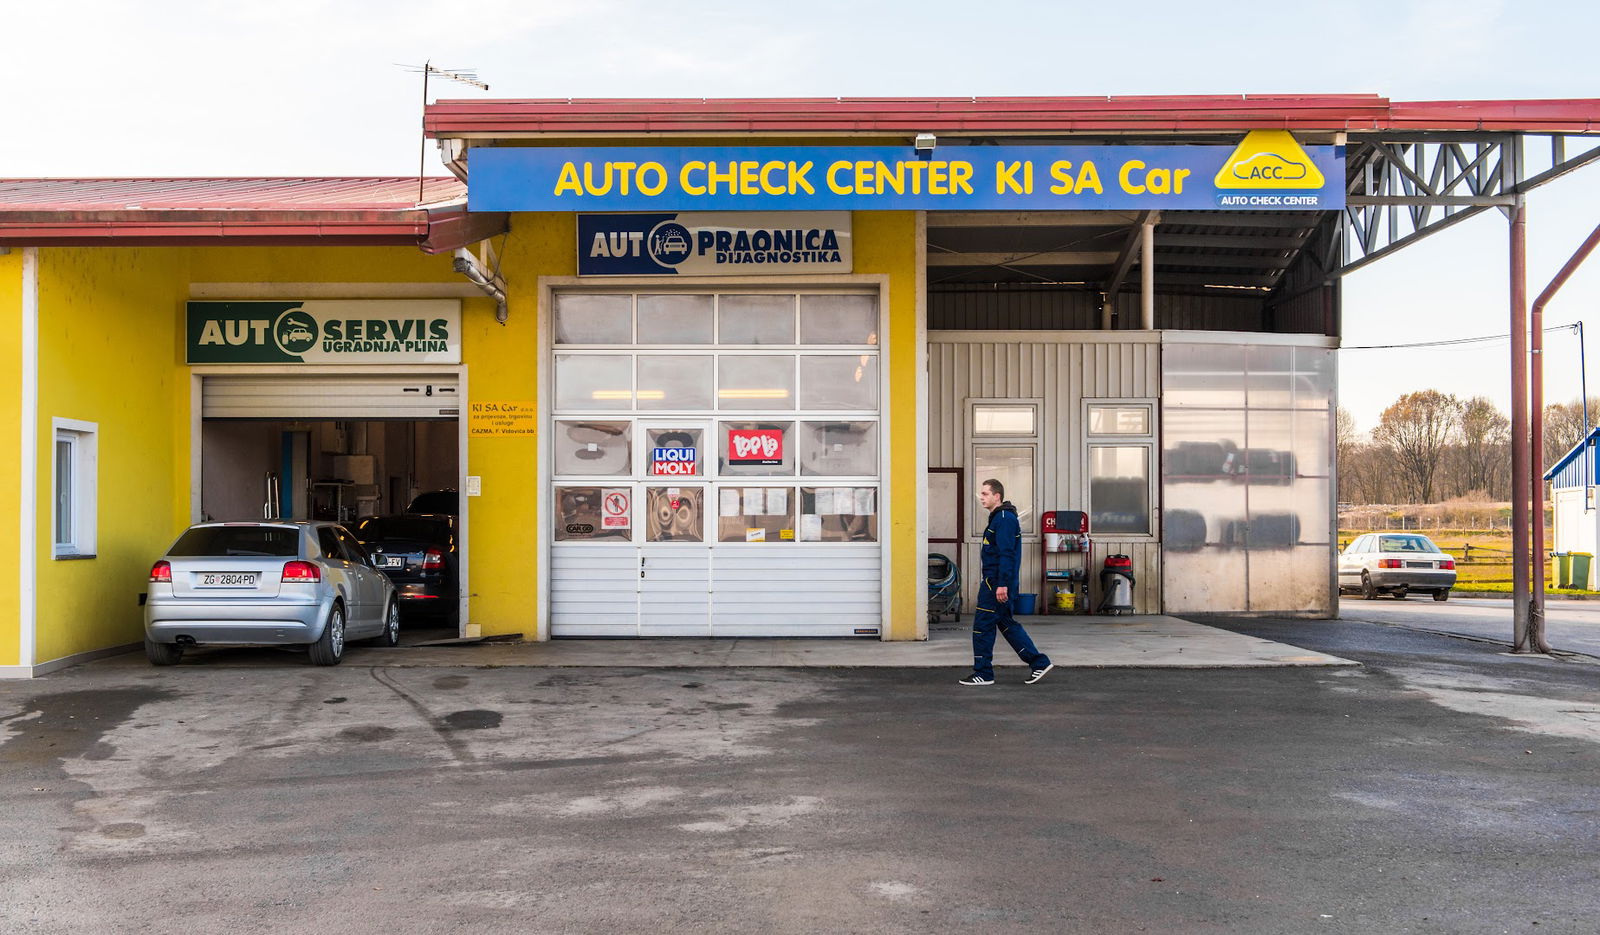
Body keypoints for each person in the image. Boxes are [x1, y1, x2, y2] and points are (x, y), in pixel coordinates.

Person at [959, 478, 1055, 686]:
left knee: (982, 627)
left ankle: (983, 673)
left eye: (985, 494)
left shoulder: (1003, 519)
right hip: (997, 583)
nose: (981, 497)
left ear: (997, 496)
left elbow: (1006, 554)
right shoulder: (999, 518)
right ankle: (1038, 662)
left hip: (996, 585)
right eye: (981, 494)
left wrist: (1002, 584)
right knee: (1006, 623)